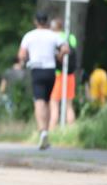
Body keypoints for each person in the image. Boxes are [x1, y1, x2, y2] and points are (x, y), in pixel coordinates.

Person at [18, 11, 69, 150]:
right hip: (50, 70)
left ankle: (43, 132)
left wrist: (24, 61)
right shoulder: (53, 35)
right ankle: (46, 132)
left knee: (38, 101)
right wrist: (59, 56)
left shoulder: (29, 36)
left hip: (36, 69)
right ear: (46, 21)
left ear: (35, 21)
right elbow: (66, 48)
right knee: (46, 101)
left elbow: (21, 54)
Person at [48, 18, 78, 128]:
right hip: (70, 75)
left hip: (57, 74)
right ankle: (71, 129)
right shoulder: (71, 37)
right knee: (69, 105)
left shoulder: (54, 37)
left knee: (54, 104)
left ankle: (51, 130)